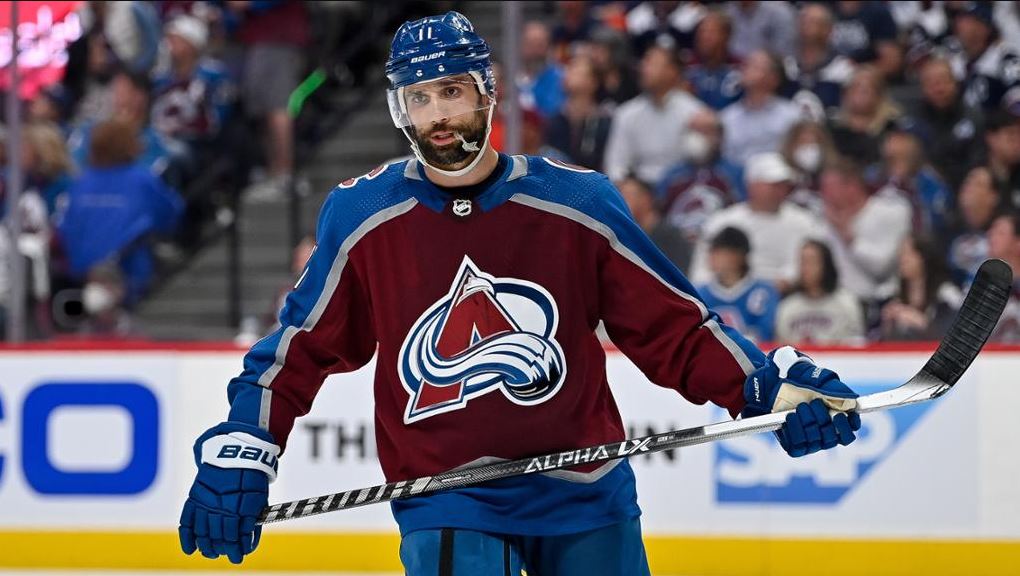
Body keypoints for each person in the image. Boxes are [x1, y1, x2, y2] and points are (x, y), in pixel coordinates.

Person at [177, 12, 862, 573]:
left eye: (451, 91)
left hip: (584, 489)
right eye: (419, 98)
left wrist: (763, 387)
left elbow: (673, 328)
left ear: (487, 92)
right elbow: (296, 348)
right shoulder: (363, 217)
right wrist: (247, 439)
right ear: (399, 108)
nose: (437, 115)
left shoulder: (578, 204)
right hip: (447, 496)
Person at [691, 152, 820, 291]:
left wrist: (785, 281)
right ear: (752, 185)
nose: (780, 190)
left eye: (783, 185)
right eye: (773, 185)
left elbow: (810, 262)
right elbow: (700, 271)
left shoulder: (803, 222)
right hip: (729, 293)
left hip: (787, 293)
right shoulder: (722, 222)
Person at [603, 43, 706, 184]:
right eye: (644, 63)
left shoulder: (695, 113)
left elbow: (699, 162)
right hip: (639, 188)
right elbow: (615, 166)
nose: (644, 69)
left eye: (653, 63)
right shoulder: (626, 113)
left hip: (680, 186)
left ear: (672, 71)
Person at [657, 108, 746, 243]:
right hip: (678, 244)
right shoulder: (672, 175)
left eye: (704, 131)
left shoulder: (734, 173)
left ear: (719, 137)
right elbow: (659, 215)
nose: (696, 137)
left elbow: (742, 212)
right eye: (692, 131)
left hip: (718, 243)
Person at [719, 50, 804, 166]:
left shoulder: (791, 116)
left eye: (754, 66)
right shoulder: (727, 118)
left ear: (774, 78)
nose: (745, 69)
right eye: (746, 65)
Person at [697, 226, 779, 342]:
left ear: (738, 256)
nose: (711, 256)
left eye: (718, 251)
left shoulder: (763, 293)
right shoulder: (700, 293)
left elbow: (765, 334)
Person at [775, 240, 865, 345]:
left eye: (811, 262)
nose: (805, 268)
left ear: (826, 265)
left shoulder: (846, 304)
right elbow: (780, 347)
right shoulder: (787, 307)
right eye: (802, 262)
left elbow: (855, 344)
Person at [880, 235, 962, 341]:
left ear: (923, 257)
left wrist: (920, 322)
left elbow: (954, 332)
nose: (902, 259)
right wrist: (888, 324)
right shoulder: (896, 295)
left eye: (907, 253)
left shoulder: (946, 294)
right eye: (900, 254)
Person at [949, 167, 999, 285]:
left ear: (993, 196)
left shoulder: (1002, 231)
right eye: (967, 182)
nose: (969, 188)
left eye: (978, 184)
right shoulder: (948, 227)